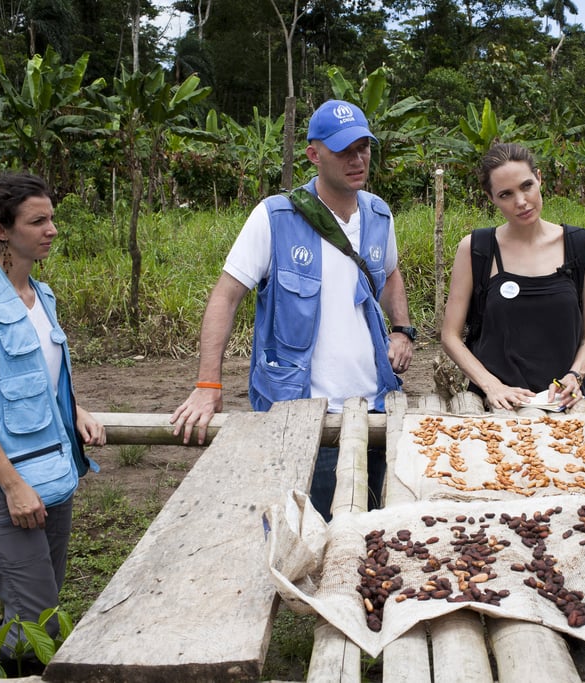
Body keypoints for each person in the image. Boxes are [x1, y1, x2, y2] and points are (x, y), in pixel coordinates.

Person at [170, 99, 414, 519]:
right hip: (302, 414)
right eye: (343, 151)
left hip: (376, 407)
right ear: (313, 155)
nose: (357, 159)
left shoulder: (378, 214)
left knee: (374, 533)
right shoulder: (275, 218)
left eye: (364, 147)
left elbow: (390, 274)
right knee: (306, 534)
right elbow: (224, 298)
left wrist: (402, 330)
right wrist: (208, 386)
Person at [0, 173, 104, 675]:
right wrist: (12, 486)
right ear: (0, 230)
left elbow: (40, 379)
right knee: (37, 617)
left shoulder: (41, 296)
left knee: (41, 607)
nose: (52, 229)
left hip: (51, 472)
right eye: (38, 220)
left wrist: (75, 411)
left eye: (51, 217)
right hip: (0, 482)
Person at [441, 142, 585, 412]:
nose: (521, 202)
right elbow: (450, 336)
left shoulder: (579, 245)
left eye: (527, 186)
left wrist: (575, 376)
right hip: (496, 406)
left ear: (539, 179)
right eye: (506, 194)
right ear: (491, 197)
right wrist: (492, 386)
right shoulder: (477, 248)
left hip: (563, 401)